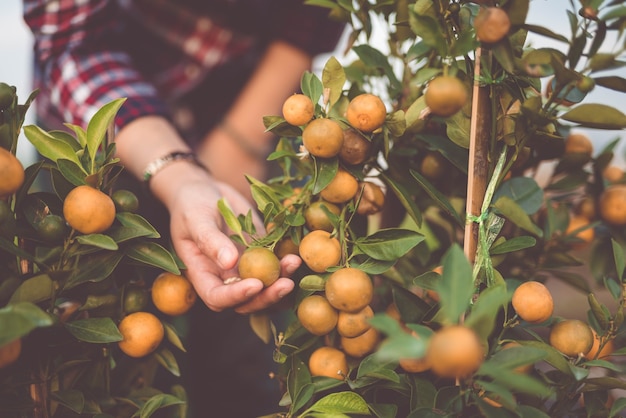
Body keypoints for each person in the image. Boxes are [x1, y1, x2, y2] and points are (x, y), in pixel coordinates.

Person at [23, 1, 345, 416]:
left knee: (241, 358)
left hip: (245, 95)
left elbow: (314, 15)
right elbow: (75, 44)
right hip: (100, 135)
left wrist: (238, 142)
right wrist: (182, 176)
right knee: (89, 350)